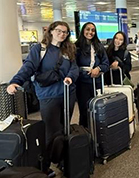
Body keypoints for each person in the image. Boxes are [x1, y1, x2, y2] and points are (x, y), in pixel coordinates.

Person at [6, 21, 78, 176]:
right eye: (59, 31)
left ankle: (63, 160)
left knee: (65, 129)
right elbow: (29, 67)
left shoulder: (69, 49)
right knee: (52, 132)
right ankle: (45, 166)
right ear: (51, 31)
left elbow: (74, 67)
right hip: (48, 96)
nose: (62, 34)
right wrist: (15, 81)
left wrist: (70, 77)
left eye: (65, 32)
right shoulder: (40, 49)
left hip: (67, 94)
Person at [75, 22, 109, 128]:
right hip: (82, 84)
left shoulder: (99, 46)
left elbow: (106, 63)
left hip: (97, 83)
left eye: (93, 30)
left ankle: (99, 132)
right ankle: (85, 134)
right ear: (83, 31)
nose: (90, 32)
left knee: (98, 108)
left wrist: (98, 69)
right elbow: (73, 66)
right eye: (88, 29)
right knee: (85, 110)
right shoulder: (77, 47)